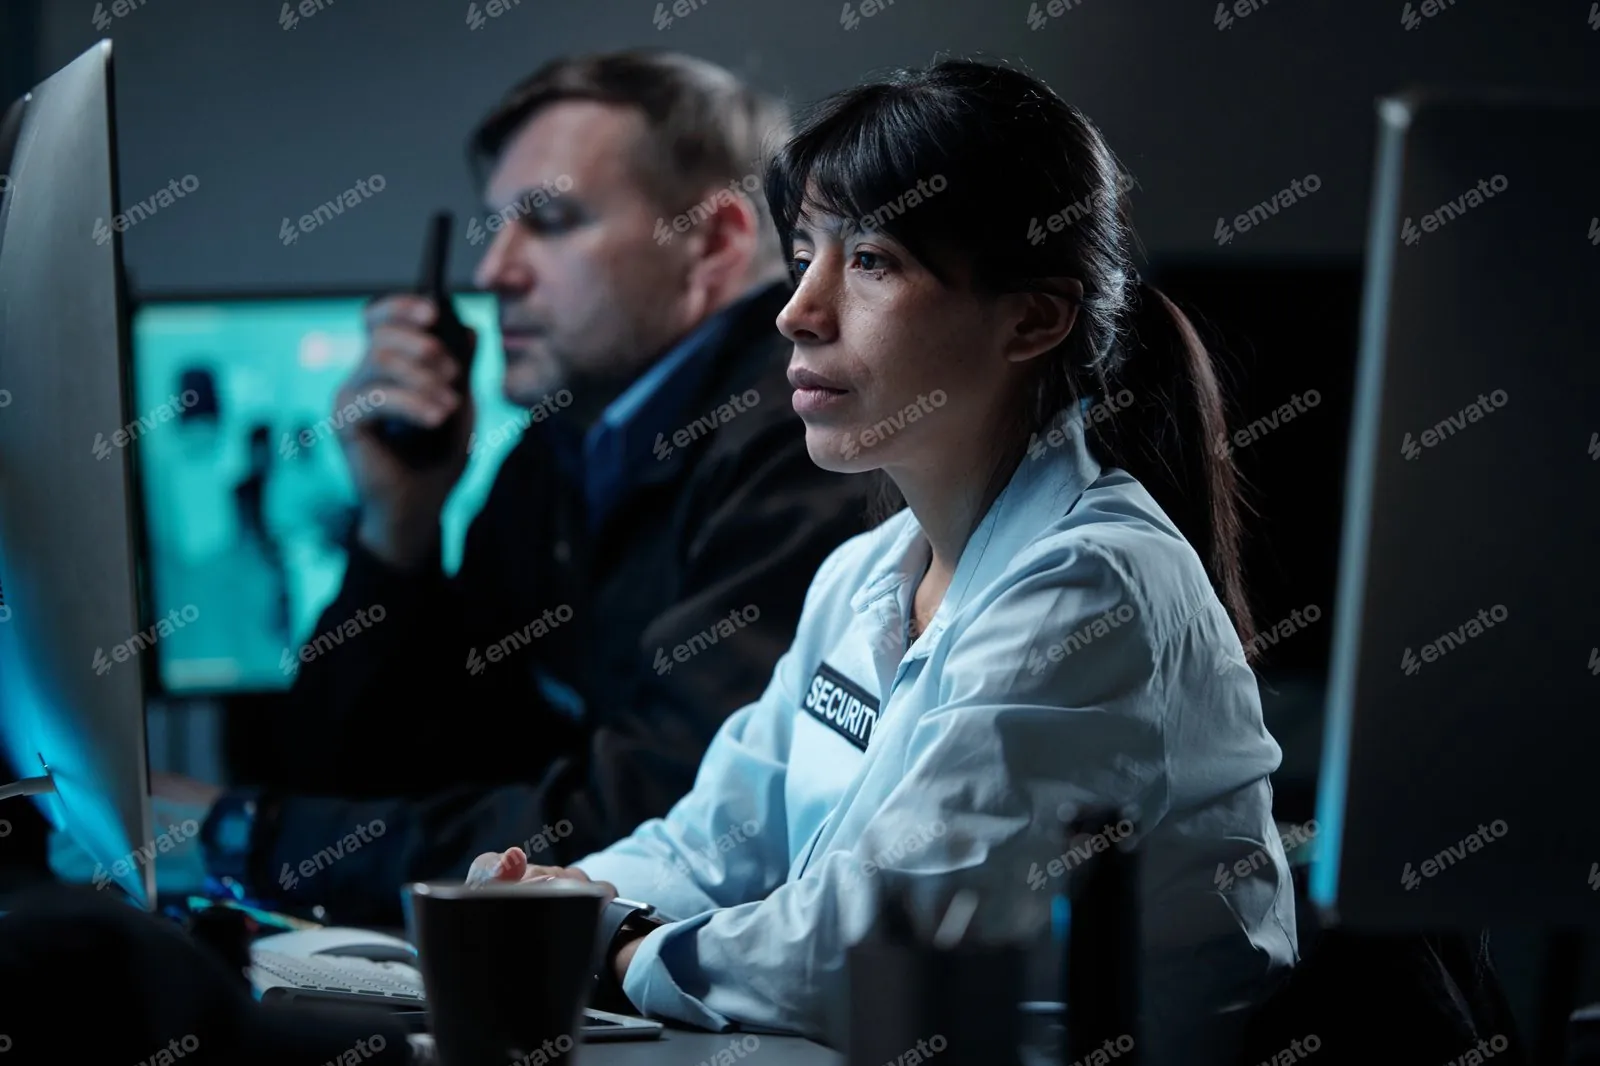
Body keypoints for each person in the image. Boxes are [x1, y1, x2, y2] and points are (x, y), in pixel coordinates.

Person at [468, 58, 1299, 1064]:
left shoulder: (1092, 585)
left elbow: (866, 943)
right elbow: (716, 844)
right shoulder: (864, 574)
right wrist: (550, 902)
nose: (797, 309)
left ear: (1032, 318)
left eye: (869, 260)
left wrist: (617, 948)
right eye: (804, 250)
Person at [160, 50, 874, 925]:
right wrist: (400, 529)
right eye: (496, 226)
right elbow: (367, 774)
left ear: (713, 242)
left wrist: (247, 837)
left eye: (551, 221)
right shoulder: (565, 443)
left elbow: (654, 829)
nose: (495, 269)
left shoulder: (806, 443)